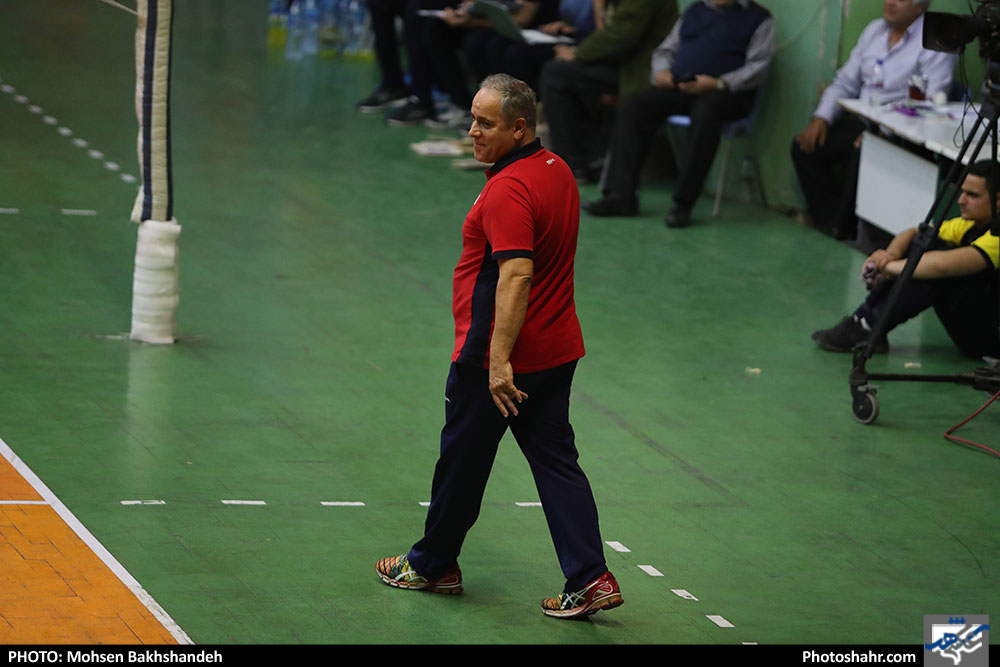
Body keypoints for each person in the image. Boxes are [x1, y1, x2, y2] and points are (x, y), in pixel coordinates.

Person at [376, 74, 622, 619]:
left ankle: (432, 564)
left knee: (461, 463)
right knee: (557, 464)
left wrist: (497, 361)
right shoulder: (557, 169)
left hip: (496, 357)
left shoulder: (508, 188)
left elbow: (516, 274)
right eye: (472, 119)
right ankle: (590, 577)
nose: (472, 131)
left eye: (485, 124)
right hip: (556, 350)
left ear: (519, 128)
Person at [582, 0, 774, 228]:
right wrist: (661, 72)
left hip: (726, 93)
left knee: (706, 114)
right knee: (635, 107)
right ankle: (620, 196)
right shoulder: (695, 11)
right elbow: (666, 50)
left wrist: (719, 83)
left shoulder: (759, 19)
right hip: (682, 86)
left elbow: (757, 68)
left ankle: (682, 203)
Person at [792, 0, 957, 239]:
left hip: (902, 130)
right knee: (804, 147)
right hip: (861, 119)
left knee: (865, 149)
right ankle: (831, 220)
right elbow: (845, 82)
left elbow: (930, 104)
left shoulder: (935, 40)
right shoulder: (874, 31)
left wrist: (885, 131)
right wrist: (821, 117)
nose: (890, 2)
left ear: (920, 5)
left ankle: (845, 232)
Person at [813, 160, 1000, 359]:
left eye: (972, 195)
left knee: (939, 269)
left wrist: (887, 267)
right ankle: (864, 322)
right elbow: (914, 233)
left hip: (992, 342)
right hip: (978, 325)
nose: (961, 200)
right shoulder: (970, 225)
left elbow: (942, 266)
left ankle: (868, 326)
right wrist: (890, 255)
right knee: (923, 242)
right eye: (962, 192)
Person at [538, 0, 679, 182]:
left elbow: (620, 37)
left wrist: (578, 53)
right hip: (626, 64)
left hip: (642, 71)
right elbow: (608, 30)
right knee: (561, 72)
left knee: (557, 74)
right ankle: (592, 156)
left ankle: (574, 164)